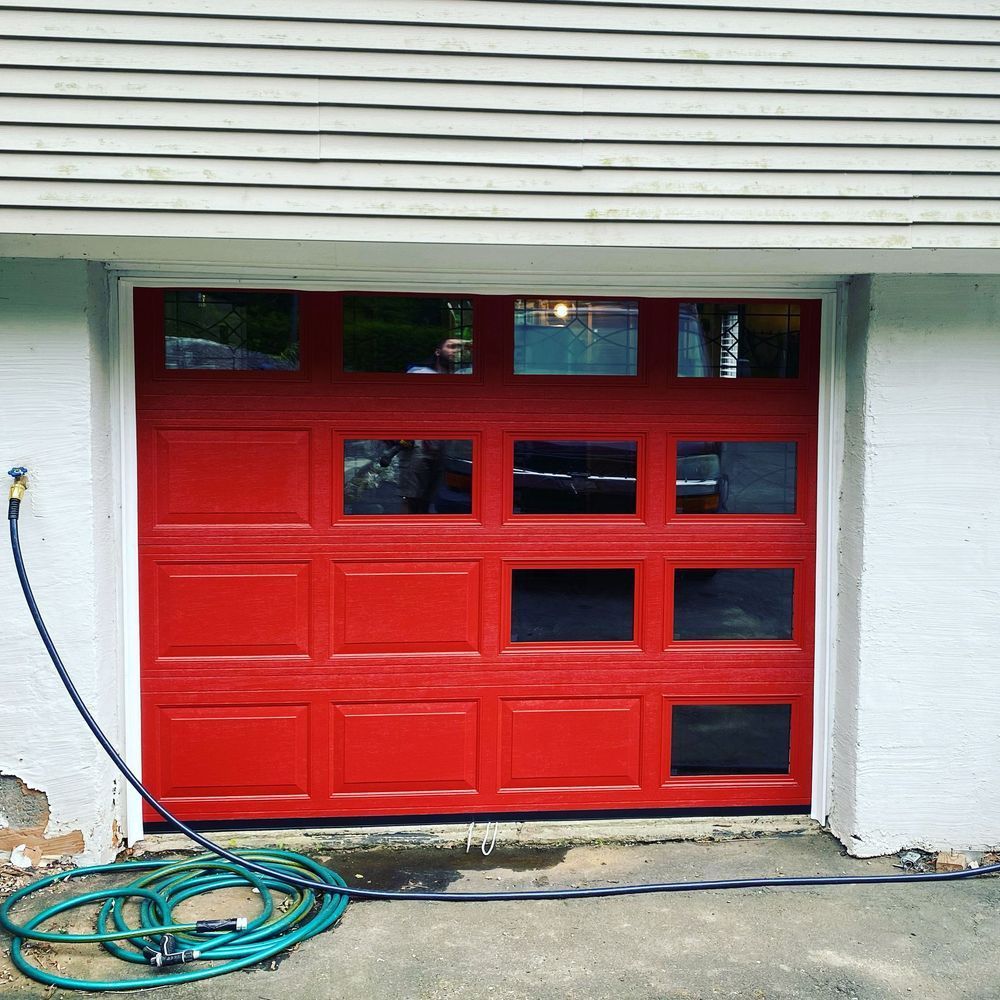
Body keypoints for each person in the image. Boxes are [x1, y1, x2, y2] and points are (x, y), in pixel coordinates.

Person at [405, 336, 471, 374]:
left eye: (461, 348)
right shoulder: (420, 373)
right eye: (452, 346)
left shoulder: (467, 372)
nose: (458, 350)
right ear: (438, 352)